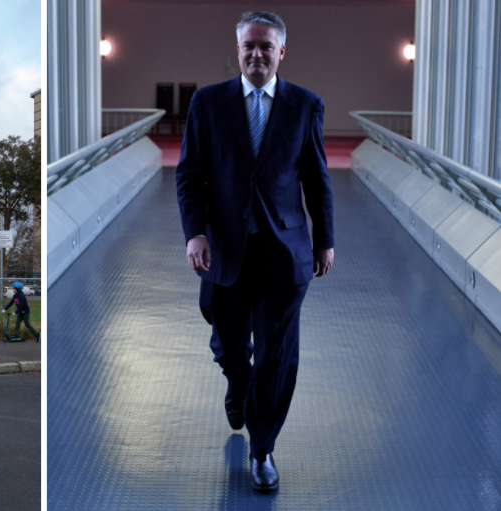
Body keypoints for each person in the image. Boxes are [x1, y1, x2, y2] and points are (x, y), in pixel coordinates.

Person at [175, 11, 334, 492]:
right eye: (249, 46)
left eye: (267, 46)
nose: (257, 54)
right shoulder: (208, 102)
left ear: (281, 51)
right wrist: (194, 234)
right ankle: (237, 384)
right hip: (223, 248)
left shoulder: (306, 105)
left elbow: (316, 177)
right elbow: (189, 175)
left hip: (285, 254)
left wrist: (325, 238)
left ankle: (263, 450)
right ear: (238, 49)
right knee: (226, 343)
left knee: (276, 356)